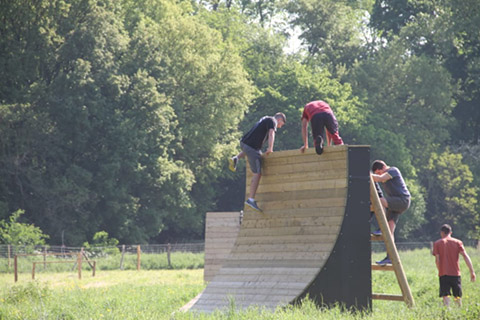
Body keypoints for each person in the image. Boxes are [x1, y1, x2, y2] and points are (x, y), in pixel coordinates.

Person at [228, 112, 286, 212]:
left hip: (244, 143)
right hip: (251, 147)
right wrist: (270, 148)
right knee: (258, 173)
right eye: (281, 125)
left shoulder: (264, 117)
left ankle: (235, 158)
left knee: (254, 152)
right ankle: (251, 199)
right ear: (280, 120)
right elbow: (271, 133)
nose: (280, 127)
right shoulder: (273, 121)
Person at [371, 160, 411, 265]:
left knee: (379, 201)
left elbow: (380, 178)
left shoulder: (393, 170)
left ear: (383, 167)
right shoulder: (385, 172)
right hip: (395, 203)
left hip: (402, 200)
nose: (379, 175)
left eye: (379, 172)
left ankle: (380, 227)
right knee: (389, 231)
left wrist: (367, 175)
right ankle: (390, 257)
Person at [433, 224, 476, 307]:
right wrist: (472, 271)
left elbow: (437, 260)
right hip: (455, 273)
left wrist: (440, 270)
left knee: (446, 296)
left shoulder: (437, 243)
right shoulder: (457, 242)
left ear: (441, 233)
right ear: (451, 232)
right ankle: (459, 312)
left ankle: (447, 312)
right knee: (457, 295)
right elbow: (465, 256)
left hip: (443, 273)